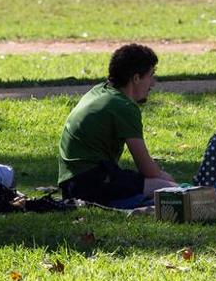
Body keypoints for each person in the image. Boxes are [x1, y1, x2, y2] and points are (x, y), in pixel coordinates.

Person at [57, 44, 177, 204]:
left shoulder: (100, 90)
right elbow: (148, 169)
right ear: (136, 78)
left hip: (71, 184)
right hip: (88, 184)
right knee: (167, 189)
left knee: (150, 184)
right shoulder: (124, 106)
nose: (153, 83)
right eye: (151, 75)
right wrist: (169, 180)